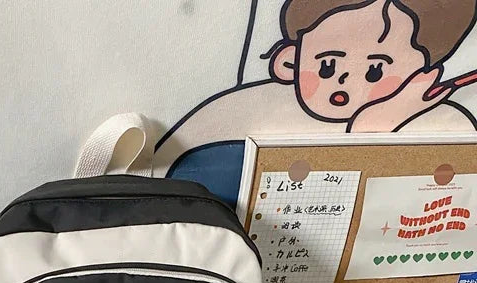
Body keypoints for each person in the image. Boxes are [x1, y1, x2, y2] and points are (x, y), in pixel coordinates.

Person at [153, 0, 477, 207]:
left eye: (376, 70)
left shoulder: (445, 125)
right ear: (288, 61)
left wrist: (372, 131)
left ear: (422, 76)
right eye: (327, 65)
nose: (345, 80)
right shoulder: (239, 113)